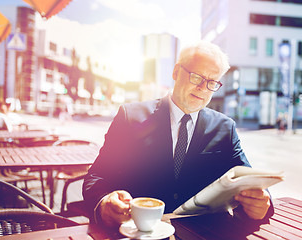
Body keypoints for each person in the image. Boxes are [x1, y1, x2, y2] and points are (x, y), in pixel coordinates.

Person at [83, 41, 274, 227]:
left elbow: (249, 182)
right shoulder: (130, 117)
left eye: (212, 82)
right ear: (176, 72)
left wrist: (262, 202)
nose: (202, 88)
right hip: (141, 231)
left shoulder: (225, 128)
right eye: (197, 77)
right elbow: (96, 176)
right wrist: (104, 202)